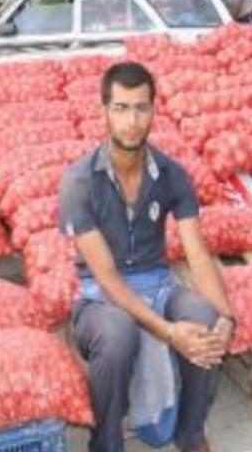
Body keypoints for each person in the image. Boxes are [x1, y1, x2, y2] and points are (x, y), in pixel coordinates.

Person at [58, 62, 234, 452]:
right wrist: (169, 332)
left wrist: (226, 318)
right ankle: (105, 442)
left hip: (158, 284)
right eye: (121, 108)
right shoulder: (79, 182)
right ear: (104, 112)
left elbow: (197, 255)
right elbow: (107, 279)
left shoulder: (173, 174)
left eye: (141, 108)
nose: (132, 121)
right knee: (118, 334)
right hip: (98, 299)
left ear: (154, 111)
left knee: (203, 318)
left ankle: (190, 432)